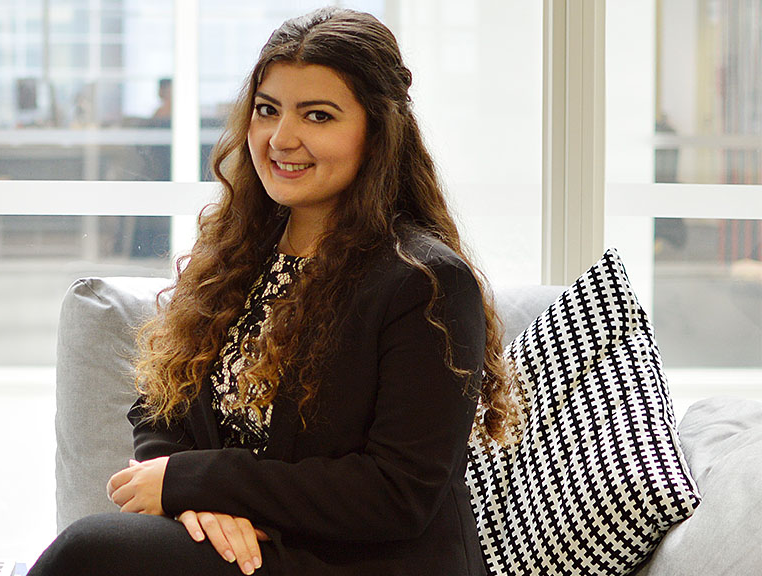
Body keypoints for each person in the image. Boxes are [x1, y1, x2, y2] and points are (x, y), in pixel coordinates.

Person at [29, 8, 517, 576]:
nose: (282, 138)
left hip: (358, 562)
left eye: (318, 115)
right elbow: (160, 404)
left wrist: (202, 482)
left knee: (92, 551)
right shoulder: (238, 255)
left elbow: (397, 493)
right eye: (268, 110)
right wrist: (197, 501)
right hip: (248, 551)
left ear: (378, 132)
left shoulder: (425, 282)